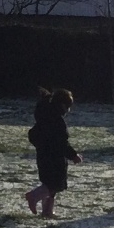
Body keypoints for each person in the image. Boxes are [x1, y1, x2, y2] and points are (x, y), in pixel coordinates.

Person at [25, 87, 82, 217]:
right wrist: (73, 155)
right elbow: (62, 143)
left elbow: (34, 135)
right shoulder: (57, 121)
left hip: (43, 156)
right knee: (55, 184)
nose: (68, 110)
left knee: (49, 184)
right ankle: (33, 196)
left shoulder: (44, 117)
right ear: (62, 105)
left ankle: (47, 211)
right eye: (68, 107)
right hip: (55, 159)